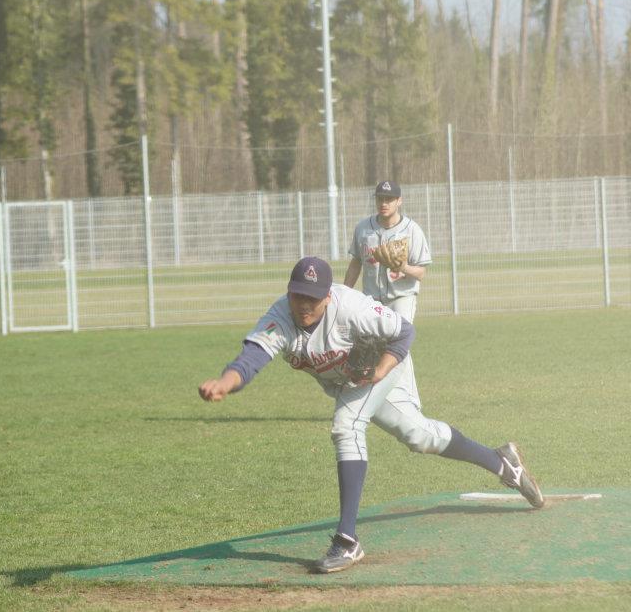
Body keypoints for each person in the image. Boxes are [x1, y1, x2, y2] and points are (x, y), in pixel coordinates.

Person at [197, 256, 544, 574]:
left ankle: (347, 540)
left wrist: (380, 370)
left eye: (312, 298)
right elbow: (251, 359)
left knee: (347, 425)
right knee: (420, 436)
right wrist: (225, 383)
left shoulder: (352, 308)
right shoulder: (280, 318)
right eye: (298, 295)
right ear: (289, 292)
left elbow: (404, 332)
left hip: (385, 362)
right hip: (353, 379)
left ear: (328, 296)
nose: (303, 304)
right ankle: (503, 463)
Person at [344, 180, 430, 323]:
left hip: (402, 297)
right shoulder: (363, 228)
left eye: (389, 199)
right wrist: (345, 292)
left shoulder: (412, 230)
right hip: (372, 300)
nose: (383, 203)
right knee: (370, 338)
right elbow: (355, 264)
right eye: (380, 199)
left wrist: (403, 267)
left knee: (398, 336)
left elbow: (421, 273)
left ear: (399, 201)